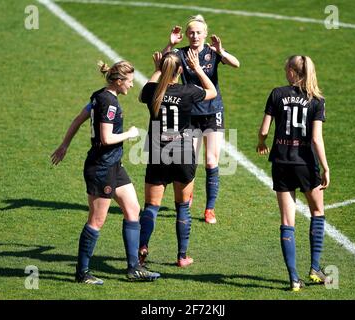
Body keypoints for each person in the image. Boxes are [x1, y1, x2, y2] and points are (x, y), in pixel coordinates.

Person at [52, 60, 160, 284]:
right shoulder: (109, 103)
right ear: (119, 81)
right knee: (96, 220)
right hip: (102, 168)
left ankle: (133, 268)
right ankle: (82, 273)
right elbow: (106, 138)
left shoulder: (98, 95)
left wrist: (64, 145)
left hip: (113, 165)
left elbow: (78, 120)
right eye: (129, 82)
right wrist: (129, 134)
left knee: (133, 209)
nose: (131, 86)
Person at [256, 55, 330, 291]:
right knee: (317, 211)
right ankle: (315, 269)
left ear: (291, 71)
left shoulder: (277, 93)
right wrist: (325, 167)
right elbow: (316, 139)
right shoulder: (317, 100)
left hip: (281, 162)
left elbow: (265, 129)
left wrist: (261, 142)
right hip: (306, 164)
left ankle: (293, 278)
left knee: (287, 221)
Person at [138, 50, 217, 267]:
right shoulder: (189, 91)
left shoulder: (153, 91)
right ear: (181, 70)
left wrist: (156, 70)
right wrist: (198, 68)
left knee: (151, 206)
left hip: (157, 153)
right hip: (182, 152)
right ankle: (182, 257)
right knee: (182, 206)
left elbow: (141, 93)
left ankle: (142, 248)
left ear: (163, 69)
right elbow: (212, 91)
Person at [162, 15, 240, 224]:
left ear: (205, 34)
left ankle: (210, 209)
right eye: (191, 33)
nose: (195, 36)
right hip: (190, 114)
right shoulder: (180, 53)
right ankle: (187, 200)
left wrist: (221, 51)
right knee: (191, 161)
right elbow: (162, 64)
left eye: (198, 32)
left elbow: (236, 64)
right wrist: (170, 43)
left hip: (213, 111)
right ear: (186, 35)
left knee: (211, 160)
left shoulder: (212, 52)